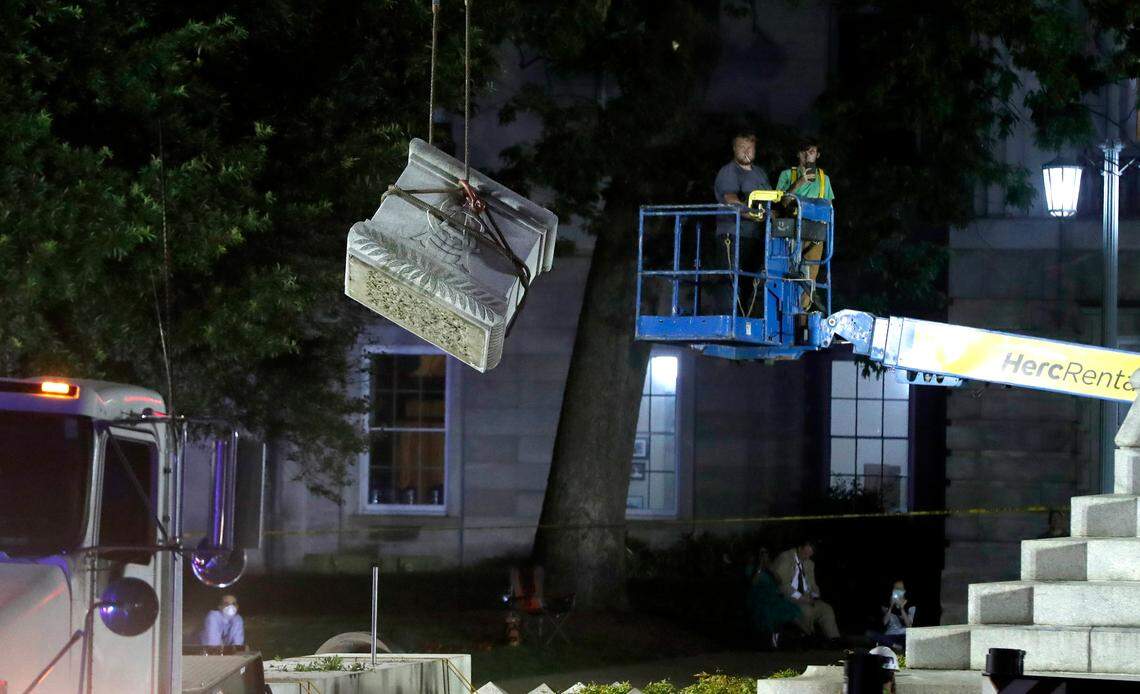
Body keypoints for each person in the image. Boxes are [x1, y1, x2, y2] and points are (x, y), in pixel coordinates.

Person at [709, 133, 772, 315]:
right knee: (729, 279)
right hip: (732, 234)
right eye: (742, 147)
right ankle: (727, 319)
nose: (746, 151)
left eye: (750, 147)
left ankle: (745, 319)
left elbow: (771, 199)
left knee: (750, 280)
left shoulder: (760, 173)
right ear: (734, 149)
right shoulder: (729, 171)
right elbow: (731, 200)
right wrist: (754, 214)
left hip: (756, 236)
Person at [776, 138, 834, 310]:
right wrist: (800, 182)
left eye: (812, 152)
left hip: (815, 233)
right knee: (788, 271)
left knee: (809, 277)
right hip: (791, 231)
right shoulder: (787, 175)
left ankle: (802, 312)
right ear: (798, 154)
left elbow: (829, 207)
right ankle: (785, 309)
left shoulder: (824, 179)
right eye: (804, 151)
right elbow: (781, 203)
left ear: (817, 155)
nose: (808, 156)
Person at [772, 539, 840, 644]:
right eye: (806, 554)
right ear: (800, 548)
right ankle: (809, 638)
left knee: (826, 609)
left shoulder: (809, 563)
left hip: (806, 598)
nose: (807, 557)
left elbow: (813, 585)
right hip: (788, 597)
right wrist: (803, 598)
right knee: (806, 610)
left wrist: (815, 595)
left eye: (810, 554)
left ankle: (834, 639)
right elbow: (783, 586)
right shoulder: (785, 558)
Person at [744, 547, 802, 649]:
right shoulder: (751, 568)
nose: (764, 555)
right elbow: (753, 583)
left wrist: (771, 570)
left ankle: (800, 637)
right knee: (769, 613)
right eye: (762, 553)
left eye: (766, 553)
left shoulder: (770, 568)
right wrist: (759, 567)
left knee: (789, 609)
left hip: (773, 597)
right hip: (759, 598)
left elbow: (779, 581)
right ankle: (770, 642)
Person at [867, 579, 915, 651]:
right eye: (895, 588)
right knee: (869, 633)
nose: (897, 591)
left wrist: (902, 609)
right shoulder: (887, 605)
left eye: (899, 589)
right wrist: (891, 607)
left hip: (904, 635)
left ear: (904, 591)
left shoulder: (911, 606)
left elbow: (909, 625)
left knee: (913, 636)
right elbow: (884, 622)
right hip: (890, 636)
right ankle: (894, 645)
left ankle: (894, 645)